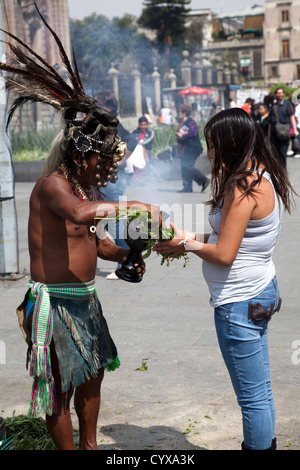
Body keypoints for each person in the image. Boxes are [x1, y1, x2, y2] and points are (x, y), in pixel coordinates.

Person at [2, 5, 161, 450]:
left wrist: (129, 254)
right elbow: (78, 217)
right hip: (53, 304)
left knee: (92, 379)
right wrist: (136, 205)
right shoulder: (53, 187)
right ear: (80, 154)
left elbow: (99, 242)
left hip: (86, 300)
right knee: (60, 388)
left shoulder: (84, 190)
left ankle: (89, 446)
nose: (106, 168)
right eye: (102, 160)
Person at [154, 108, 296, 450]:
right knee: (259, 390)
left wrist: (186, 243)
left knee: (253, 398)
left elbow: (225, 254)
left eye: (213, 144)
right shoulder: (259, 175)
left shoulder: (244, 186)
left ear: (231, 142)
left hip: (240, 302)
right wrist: (187, 239)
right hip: (257, 292)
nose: (210, 152)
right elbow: (228, 234)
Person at [96, 92, 135, 280]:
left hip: (110, 182)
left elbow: (131, 145)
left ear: (108, 107)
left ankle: (125, 263)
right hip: (105, 181)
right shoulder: (106, 124)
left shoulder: (111, 125)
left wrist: (114, 164)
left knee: (114, 221)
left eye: (99, 104)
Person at [176, 104, 210, 193]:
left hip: (193, 148)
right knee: (184, 167)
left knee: (188, 166)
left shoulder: (190, 122)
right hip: (186, 149)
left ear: (184, 113)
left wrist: (182, 135)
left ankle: (203, 180)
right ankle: (187, 187)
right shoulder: (183, 123)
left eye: (179, 112)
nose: (178, 114)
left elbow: (193, 132)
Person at [268, 87, 299, 168]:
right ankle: (277, 171)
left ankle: (283, 171)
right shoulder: (273, 105)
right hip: (274, 132)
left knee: (282, 153)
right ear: (275, 94)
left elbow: (292, 117)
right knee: (275, 154)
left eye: (281, 93)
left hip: (284, 132)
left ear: (283, 94)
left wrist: (295, 130)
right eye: (278, 93)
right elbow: (270, 121)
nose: (280, 95)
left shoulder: (287, 104)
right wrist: (269, 134)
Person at [127, 116, 155, 185]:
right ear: (139, 125)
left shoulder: (150, 132)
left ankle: (146, 172)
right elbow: (130, 141)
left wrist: (139, 145)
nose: (143, 127)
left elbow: (148, 142)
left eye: (145, 125)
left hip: (146, 150)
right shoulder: (133, 131)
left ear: (147, 125)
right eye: (141, 125)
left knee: (143, 150)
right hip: (135, 150)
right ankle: (131, 175)